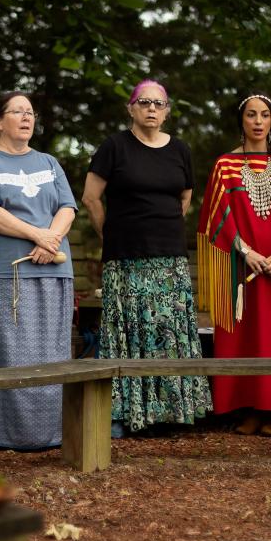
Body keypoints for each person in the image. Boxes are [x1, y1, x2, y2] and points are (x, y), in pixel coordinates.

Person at [83, 80, 212, 435]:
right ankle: (127, 415)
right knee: (129, 331)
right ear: (131, 108)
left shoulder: (180, 150)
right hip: (125, 256)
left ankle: (170, 413)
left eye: (159, 103)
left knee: (168, 332)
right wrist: (109, 233)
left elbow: (184, 198)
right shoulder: (114, 147)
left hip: (169, 259)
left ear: (167, 110)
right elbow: (91, 197)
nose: (151, 109)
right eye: (144, 103)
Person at [196, 94, 271, 436]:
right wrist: (246, 252)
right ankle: (248, 408)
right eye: (252, 115)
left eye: (265, 115)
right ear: (242, 121)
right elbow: (217, 217)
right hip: (242, 266)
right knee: (245, 336)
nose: (258, 121)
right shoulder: (225, 166)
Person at [0, 92, 76, 449]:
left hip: (53, 271)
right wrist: (39, 235)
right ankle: (0, 435)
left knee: (51, 354)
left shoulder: (49, 162)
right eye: (17, 112)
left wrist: (52, 239)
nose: (27, 118)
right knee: (7, 353)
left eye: (30, 112)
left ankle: (53, 433)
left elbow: (68, 207)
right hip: (4, 273)